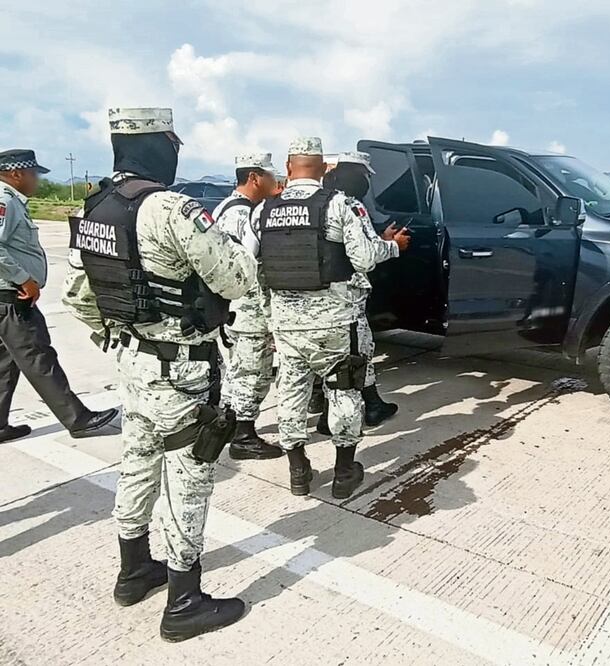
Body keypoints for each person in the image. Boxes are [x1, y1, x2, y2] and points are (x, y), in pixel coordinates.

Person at [62, 108, 256, 642]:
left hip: (133, 365)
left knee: (137, 465)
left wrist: (117, 335)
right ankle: (184, 601)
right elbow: (237, 278)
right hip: (179, 368)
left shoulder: (98, 206)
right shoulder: (171, 207)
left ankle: (133, 571)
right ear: (160, 147)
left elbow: (76, 296)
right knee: (189, 479)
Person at [244, 137, 379, 499]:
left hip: (287, 325)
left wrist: (268, 315)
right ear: (323, 170)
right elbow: (364, 259)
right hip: (335, 323)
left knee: (290, 392)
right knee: (344, 393)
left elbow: (249, 266)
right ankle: (344, 471)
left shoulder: (263, 210)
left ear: (288, 168)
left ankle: (298, 470)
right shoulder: (340, 205)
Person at [0, 149, 118, 444]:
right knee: (38, 356)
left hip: (5, 296)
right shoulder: (5, 199)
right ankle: (78, 419)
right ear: (16, 174)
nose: (36, 180)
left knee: (5, 361)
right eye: (33, 174)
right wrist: (24, 278)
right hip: (11, 296)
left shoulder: (11, 199)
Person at [317, 151, 410, 433]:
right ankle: (337, 416)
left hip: (316, 296)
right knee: (358, 353)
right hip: (346, 298)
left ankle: (370, 404)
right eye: (365, 176)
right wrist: (394, 246)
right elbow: (365, 258)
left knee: (331, 357)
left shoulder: (320, 203)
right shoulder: (351, 206)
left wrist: (380, 238)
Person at [213, 153, 282, 460]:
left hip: (231, 307)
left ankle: (227, 424)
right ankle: (244, 435)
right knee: (254, 373)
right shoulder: (245, 215)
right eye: (271, 176)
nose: (275, 182)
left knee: (237, 370)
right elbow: (249, 260)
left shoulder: (225, 208)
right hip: (249, 309)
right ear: (255, 177)